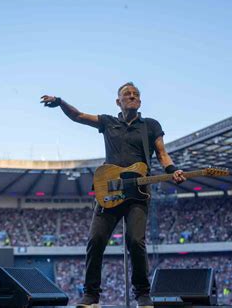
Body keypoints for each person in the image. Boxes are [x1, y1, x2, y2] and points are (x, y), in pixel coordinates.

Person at [41, 82, 185, 307]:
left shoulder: (150, 126)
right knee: (95, 240)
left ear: (140, 101)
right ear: (118, 101)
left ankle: (143, 295)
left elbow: (162, 153)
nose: (132, 96)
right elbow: (78, 116)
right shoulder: (108, 122)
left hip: (138, 193)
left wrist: (172, 170)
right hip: (109, 189)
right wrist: (60, 102)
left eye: (136, 94)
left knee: (136, 241)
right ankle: (91, 296)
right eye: (127, 94)